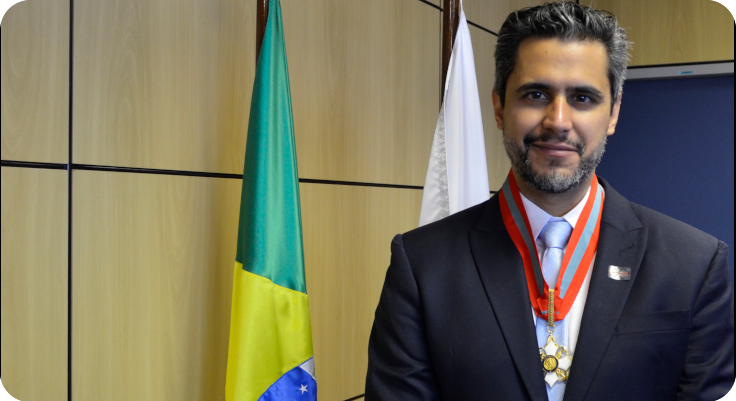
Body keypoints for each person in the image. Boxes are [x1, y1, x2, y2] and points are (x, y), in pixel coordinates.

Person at [365, 2, 734, 400]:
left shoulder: (695, 265)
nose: (557, 121)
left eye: (583, 98)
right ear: (499, 108)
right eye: (536, 94)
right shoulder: (422, 266)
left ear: (613, 113)